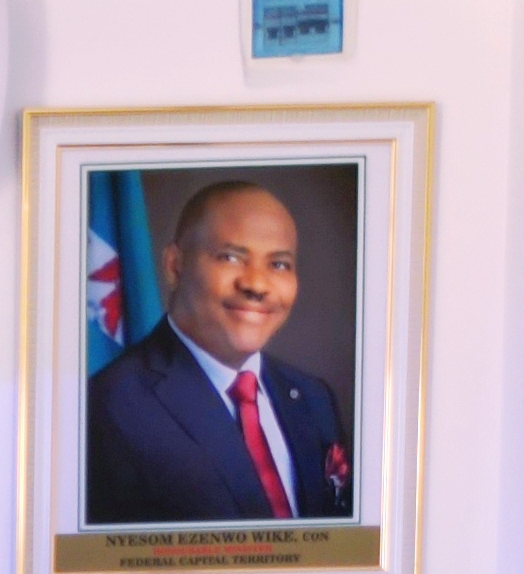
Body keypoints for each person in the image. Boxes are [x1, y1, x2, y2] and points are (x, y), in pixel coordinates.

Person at [84, 176, 351, 525]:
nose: (256, 285)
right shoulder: (107, 410)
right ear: (175, 266)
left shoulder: (314, 399)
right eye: (231, 257)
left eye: (278, 264)